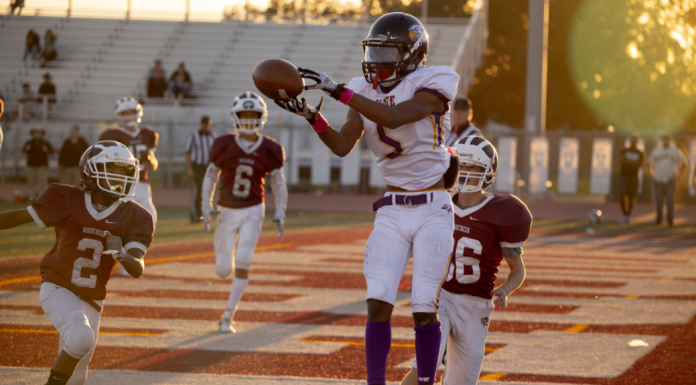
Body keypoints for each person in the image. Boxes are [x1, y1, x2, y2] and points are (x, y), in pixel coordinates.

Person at [276, 13, 460, 385]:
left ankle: (426, 382)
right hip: (392, 210)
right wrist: (312, 115)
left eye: (386, 51)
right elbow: (344, 145)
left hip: (433, 207)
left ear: (410, 54)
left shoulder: (434, 79)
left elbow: (395, 116)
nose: (377, 60)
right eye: (373, 50)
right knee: (377, 300)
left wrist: (338, 90)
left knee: (424, 304)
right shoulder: (363, 86)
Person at [0, 141, 154, 385]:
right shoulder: (68, 199)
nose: (121, 176)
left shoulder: (134, 215)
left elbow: (137, 268)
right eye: (113, 169)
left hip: (93, 298)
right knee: (82, 337)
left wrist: (123, 254)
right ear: (91, 173)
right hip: (58, 287)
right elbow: (20, 216)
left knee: (77, 377)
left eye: (125, 171)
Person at [400, 136, 531, 385]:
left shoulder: (504, 212)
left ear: (488, 173)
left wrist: (506, 288)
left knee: (461, 382)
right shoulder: (438, 203)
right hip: (441, 296)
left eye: (475, 168)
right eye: (463, 166)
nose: (467, 174)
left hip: (476, 306)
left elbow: (517, 269)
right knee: (426, 364)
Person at [202, 91, 287, 333]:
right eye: (244, 114)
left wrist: (280, 210)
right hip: (227, 210)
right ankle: (223, 268)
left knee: (244, 260)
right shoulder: (224, 144)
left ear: (262, 117)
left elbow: (278, 183)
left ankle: (228, 315)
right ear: (235, 116)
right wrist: (205, 204)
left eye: (254, 114)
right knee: (222, 270)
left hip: (253, 209)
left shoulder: (270, 148)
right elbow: (210, 177)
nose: (249, 119)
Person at [99, 97, 159, 226]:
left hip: (143, 182)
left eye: (131, 111)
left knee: (150, 219)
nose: (129, 115)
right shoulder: (112, 135)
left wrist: (149, 159)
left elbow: (153, 165)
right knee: (127, 220)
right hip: (123, 184)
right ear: (119, 115)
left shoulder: (148, 134)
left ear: (137, 112)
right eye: (125, 113)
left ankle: (138, 245)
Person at [648, 134, 686, 226]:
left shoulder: (675, 151)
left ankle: (670, 220)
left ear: (670, 141)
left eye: (667, 140)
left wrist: (678, 175)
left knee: (670, 200)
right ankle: (659, 219)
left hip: (670, 179)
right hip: (658, 178)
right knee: (659, 199)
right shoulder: (657, 151)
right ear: (661, 141)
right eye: (664, 140)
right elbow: (649, 162)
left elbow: (684, 163)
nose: (665, 142)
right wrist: (651, 174)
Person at [185, 115, 217, 223]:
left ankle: (204, 214)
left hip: (208, 167)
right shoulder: (194, 136)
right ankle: (195, 216)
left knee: (207, 191)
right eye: (204, 124)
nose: (206, 127)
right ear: (201, 124)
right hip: (197, 166)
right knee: (197, 191)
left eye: (208, 125)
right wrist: (189, 168)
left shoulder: (213, 136)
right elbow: (188, 152)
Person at [618, 133, 645, 224]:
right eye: (632, 140)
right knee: (622, 194)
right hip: (624, 176)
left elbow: (640, 164)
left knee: (632, 197)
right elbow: (622, 161)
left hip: (634, 177)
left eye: (635, 140)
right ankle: (624, 214)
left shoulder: (640, 153)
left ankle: (628, 215)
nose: (633, 142)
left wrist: (628, 162)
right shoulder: (624, 150)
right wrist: (634, 163)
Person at [22, 128, 55, 199]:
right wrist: (27, 149)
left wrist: (46, 150)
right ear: (33, 134)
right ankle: (32, 200)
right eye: (35, 132)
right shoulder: (29, 143)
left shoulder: (45, 143)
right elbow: (23, 150)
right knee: (31, 184)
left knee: (42, 184)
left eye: (38, 132)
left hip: (42, 166)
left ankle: (41, 200)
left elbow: (52, 151)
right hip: (31, 166)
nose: (37, 134)